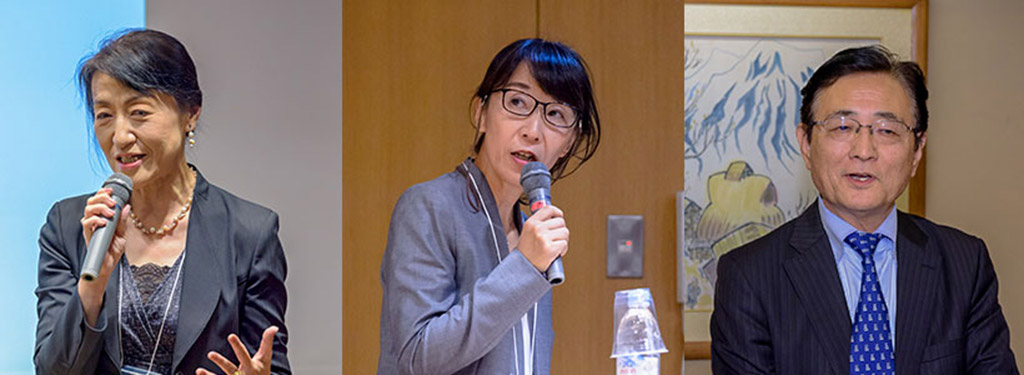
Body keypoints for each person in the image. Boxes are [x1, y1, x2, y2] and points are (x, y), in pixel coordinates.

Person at [710, 45, 1019, 374]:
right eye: (843, 127)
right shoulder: (750, 275)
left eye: (887, 130)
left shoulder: (963, 263)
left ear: (916, 152)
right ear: (806, 144)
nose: (863, 150)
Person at [34, 29, 290, 375]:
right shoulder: (68, 225)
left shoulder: (248, 233)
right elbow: (52, 371)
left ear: (191, 114)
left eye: (139, 112)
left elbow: (267, 364)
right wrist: (91, 289)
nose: (120, 137)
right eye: (104, 115)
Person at [377, 38, 601, 375]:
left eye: (555, 114)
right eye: (517, 102)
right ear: (481, 114)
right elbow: (417, 357)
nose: (533, 131)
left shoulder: (533, 235)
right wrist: (525, 266)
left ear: (569, 143)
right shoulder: (428, 206)